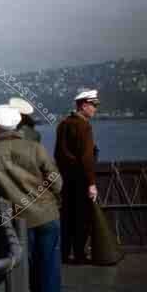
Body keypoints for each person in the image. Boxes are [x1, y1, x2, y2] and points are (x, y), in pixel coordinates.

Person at [0, 105, 82, 292]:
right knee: (48, 275)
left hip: (20, 221)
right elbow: (57, 183)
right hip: (48, 216)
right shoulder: (34, 147)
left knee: (27, 277)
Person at [54, 89, 100, 264]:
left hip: (66, 179)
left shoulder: (63, 124)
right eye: (93, 105)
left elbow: (58, 154)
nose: (95, 109)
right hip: (81, 180)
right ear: (83, 105)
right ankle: (80, 255)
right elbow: (86, 158)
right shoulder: (84, 126)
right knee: (82, 219)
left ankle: (64, 254)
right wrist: (91, 183)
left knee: (67, 218)